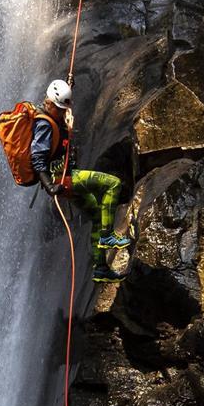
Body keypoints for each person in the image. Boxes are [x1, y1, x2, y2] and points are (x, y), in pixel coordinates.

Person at [32, 79, 130, 283]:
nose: (62, 112)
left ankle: (101, 267)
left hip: (66, 176)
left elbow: (60, 122)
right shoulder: (43, 124)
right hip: (64, 179)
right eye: (59, 108)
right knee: (113, 184)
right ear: (49, 103)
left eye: (63, 108)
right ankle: (108, 236)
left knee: (95, 213)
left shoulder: (52, 115)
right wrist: (50, 186)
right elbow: (37, 159)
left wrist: (69, 88)